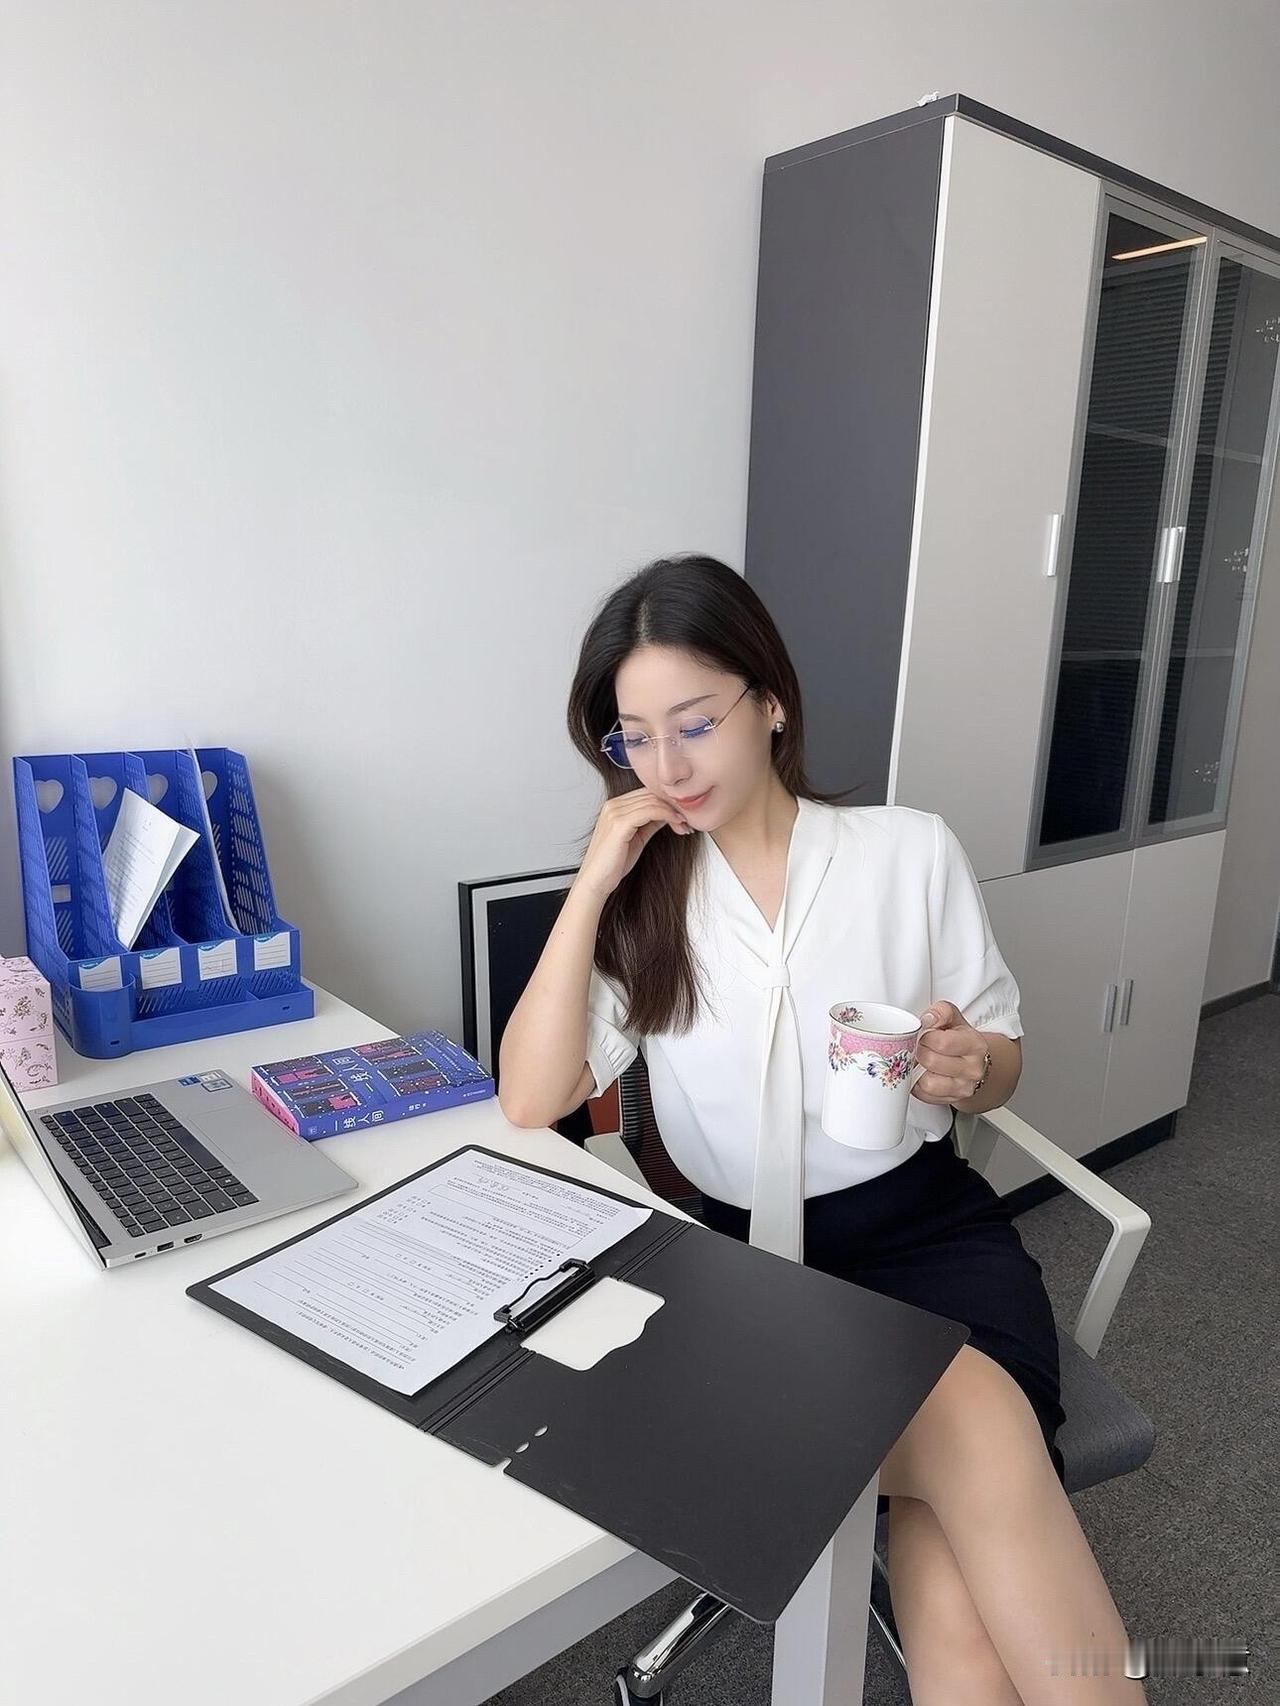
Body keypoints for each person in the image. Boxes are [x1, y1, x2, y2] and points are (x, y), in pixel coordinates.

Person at [500, 554, 1146, 1704]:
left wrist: (967, 1066)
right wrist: (590, 882)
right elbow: (528, 1094)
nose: (665, 766)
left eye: (693, 723)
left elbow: (999, 1058)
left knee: (956, 1614)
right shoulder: (645, 897)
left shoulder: (907, 851)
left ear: (769, 700)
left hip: (931, 1236)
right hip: (748, 1276)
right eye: (633, 738)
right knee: (976, 1440)